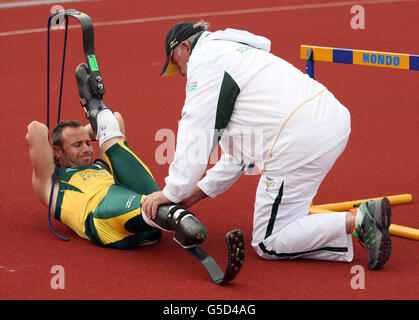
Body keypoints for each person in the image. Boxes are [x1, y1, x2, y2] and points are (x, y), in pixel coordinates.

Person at [142, 21, 392, 270]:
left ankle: (360, 220)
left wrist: (171, 192)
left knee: (268, 242)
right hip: (330, 123)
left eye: (177, 64)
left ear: (184, 47)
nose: (182, 73)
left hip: (297, 140)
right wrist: (188, 198)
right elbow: (237, 158)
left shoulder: (206, 60)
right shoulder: (237, 54)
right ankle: (357, 222)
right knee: (288, 221)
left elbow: (194, 131)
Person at [26, 63, 208, 249]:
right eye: (77, 145)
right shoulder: (51, 183)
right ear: (57, 151)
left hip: (147, 225)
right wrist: (71, 140)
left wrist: (80, 134)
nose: (88, 149)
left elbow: (117, 118)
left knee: (118, 150)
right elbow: (36, 130)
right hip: (103, 221)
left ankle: (96, 108)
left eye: (88, 142)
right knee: (121, 198)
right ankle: (177, 217)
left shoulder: (100, 164)